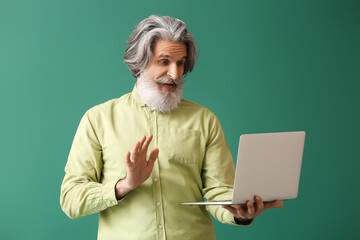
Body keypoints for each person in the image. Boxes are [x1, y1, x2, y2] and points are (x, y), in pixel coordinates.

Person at [60, 15, 283, 240]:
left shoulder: (205, 120)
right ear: (140, 62)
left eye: (180, 63)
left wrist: (240, 212)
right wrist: (124, 185)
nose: (175, 74)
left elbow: (219, 192)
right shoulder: (98, 119)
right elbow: (71, 199)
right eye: (164, 61)